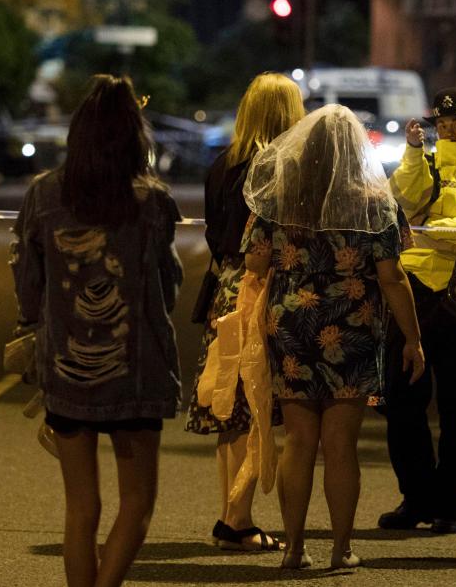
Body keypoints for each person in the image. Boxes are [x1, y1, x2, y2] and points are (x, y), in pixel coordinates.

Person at [10, 75, 183, 587]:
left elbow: (27, 283)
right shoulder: (152, 201)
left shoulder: (43, 194)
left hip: (66, 368)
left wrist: (32, 324)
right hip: (137, 371)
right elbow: (167, 288)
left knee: (80, 508)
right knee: (138, 503)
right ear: (135, 136)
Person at [241, 104, 425, 569]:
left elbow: (254, 264)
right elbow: (392, 275)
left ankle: (294, 549)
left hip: (291, 326)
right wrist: (413, 339)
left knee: (299, 441)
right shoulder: (372, 200)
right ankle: (341, 549)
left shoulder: (280, 198)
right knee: (340, 443)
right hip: (352, 328)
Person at [184, 72, 305, 552]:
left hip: (223, 288)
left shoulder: (223, 163)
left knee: (229, 405)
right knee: (253, 404)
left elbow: (217, 235)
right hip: (260, 288)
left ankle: (231, 512)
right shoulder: (280, 167)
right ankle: (236, 520)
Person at [378, 87, 456, 535]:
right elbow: (402, 204)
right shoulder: (418, 163)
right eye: (441, 124)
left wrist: (448, 235)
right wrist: (412, 151)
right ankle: (416, 496)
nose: (448, 130)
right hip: (415, 289)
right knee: (401, 400)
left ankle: (451, 503)